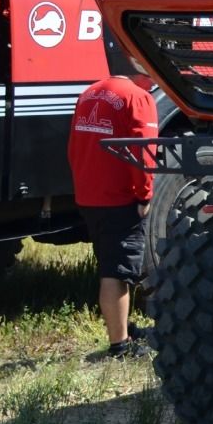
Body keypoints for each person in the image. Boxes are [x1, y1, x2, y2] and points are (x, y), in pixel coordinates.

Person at [68, 31, 159, 357]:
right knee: (117, 273)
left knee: (109, 263)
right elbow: (144, 153)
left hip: (90, 196)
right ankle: (119, 347)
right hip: (119, 198)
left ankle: (124, 328)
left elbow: (75, 147)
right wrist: (145, 195)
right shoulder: (138, 98)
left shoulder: (91, 92)